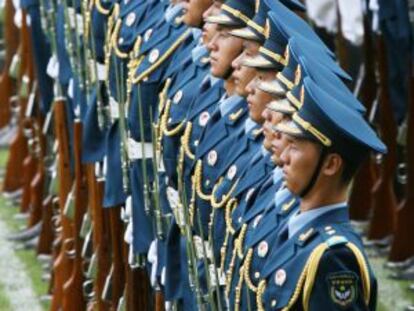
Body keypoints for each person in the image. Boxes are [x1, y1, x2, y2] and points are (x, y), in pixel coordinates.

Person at [255, 76, 385, 310]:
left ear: (330, 165)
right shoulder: (297, 230)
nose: (283, 158)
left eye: (294, 146)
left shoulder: (333, 258)